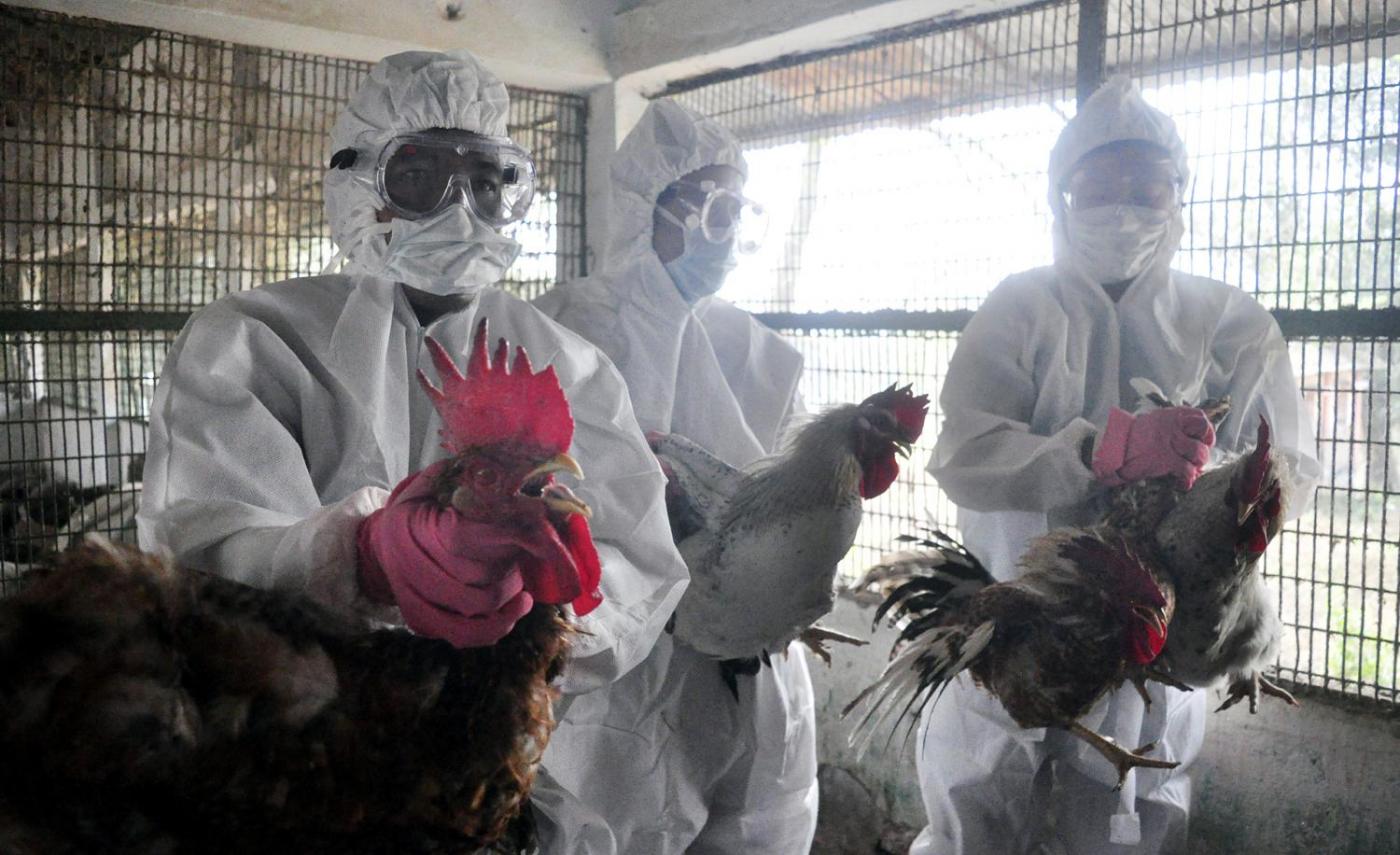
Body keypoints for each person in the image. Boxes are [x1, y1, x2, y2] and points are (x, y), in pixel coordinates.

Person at [138, 49, 687, 706]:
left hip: (495, 721)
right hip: (301, 721)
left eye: (487, 181)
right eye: (419, 176)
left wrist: (541, 620)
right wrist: (360, 560)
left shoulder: (569, 362)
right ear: (359, 188)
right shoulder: (254, 338)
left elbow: (639, 557)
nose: (462, 208)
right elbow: (205, 546)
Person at [917, 75, 1321, 855]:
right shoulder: (1018, 307)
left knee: (1135, 821)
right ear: (1062, 197)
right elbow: (964, 452)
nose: (1123, 207)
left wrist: (1218, 491)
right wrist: (1096, 451)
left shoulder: (1231, 321)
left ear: (1179, 195)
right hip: (1017, 624)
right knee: (979, 807)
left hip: (1160, 634)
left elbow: (1291, 464)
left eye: (1146, 186)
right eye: (1099, 187)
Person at [529, 99, 817, 853]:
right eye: (714, 209)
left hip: (751, 652)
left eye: (739, 212)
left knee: (760, 825)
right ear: (648, 206)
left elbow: (801, 484)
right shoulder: (565, 324)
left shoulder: (759, 351)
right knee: (615, 823)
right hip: (620, 656)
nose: (729, 233)